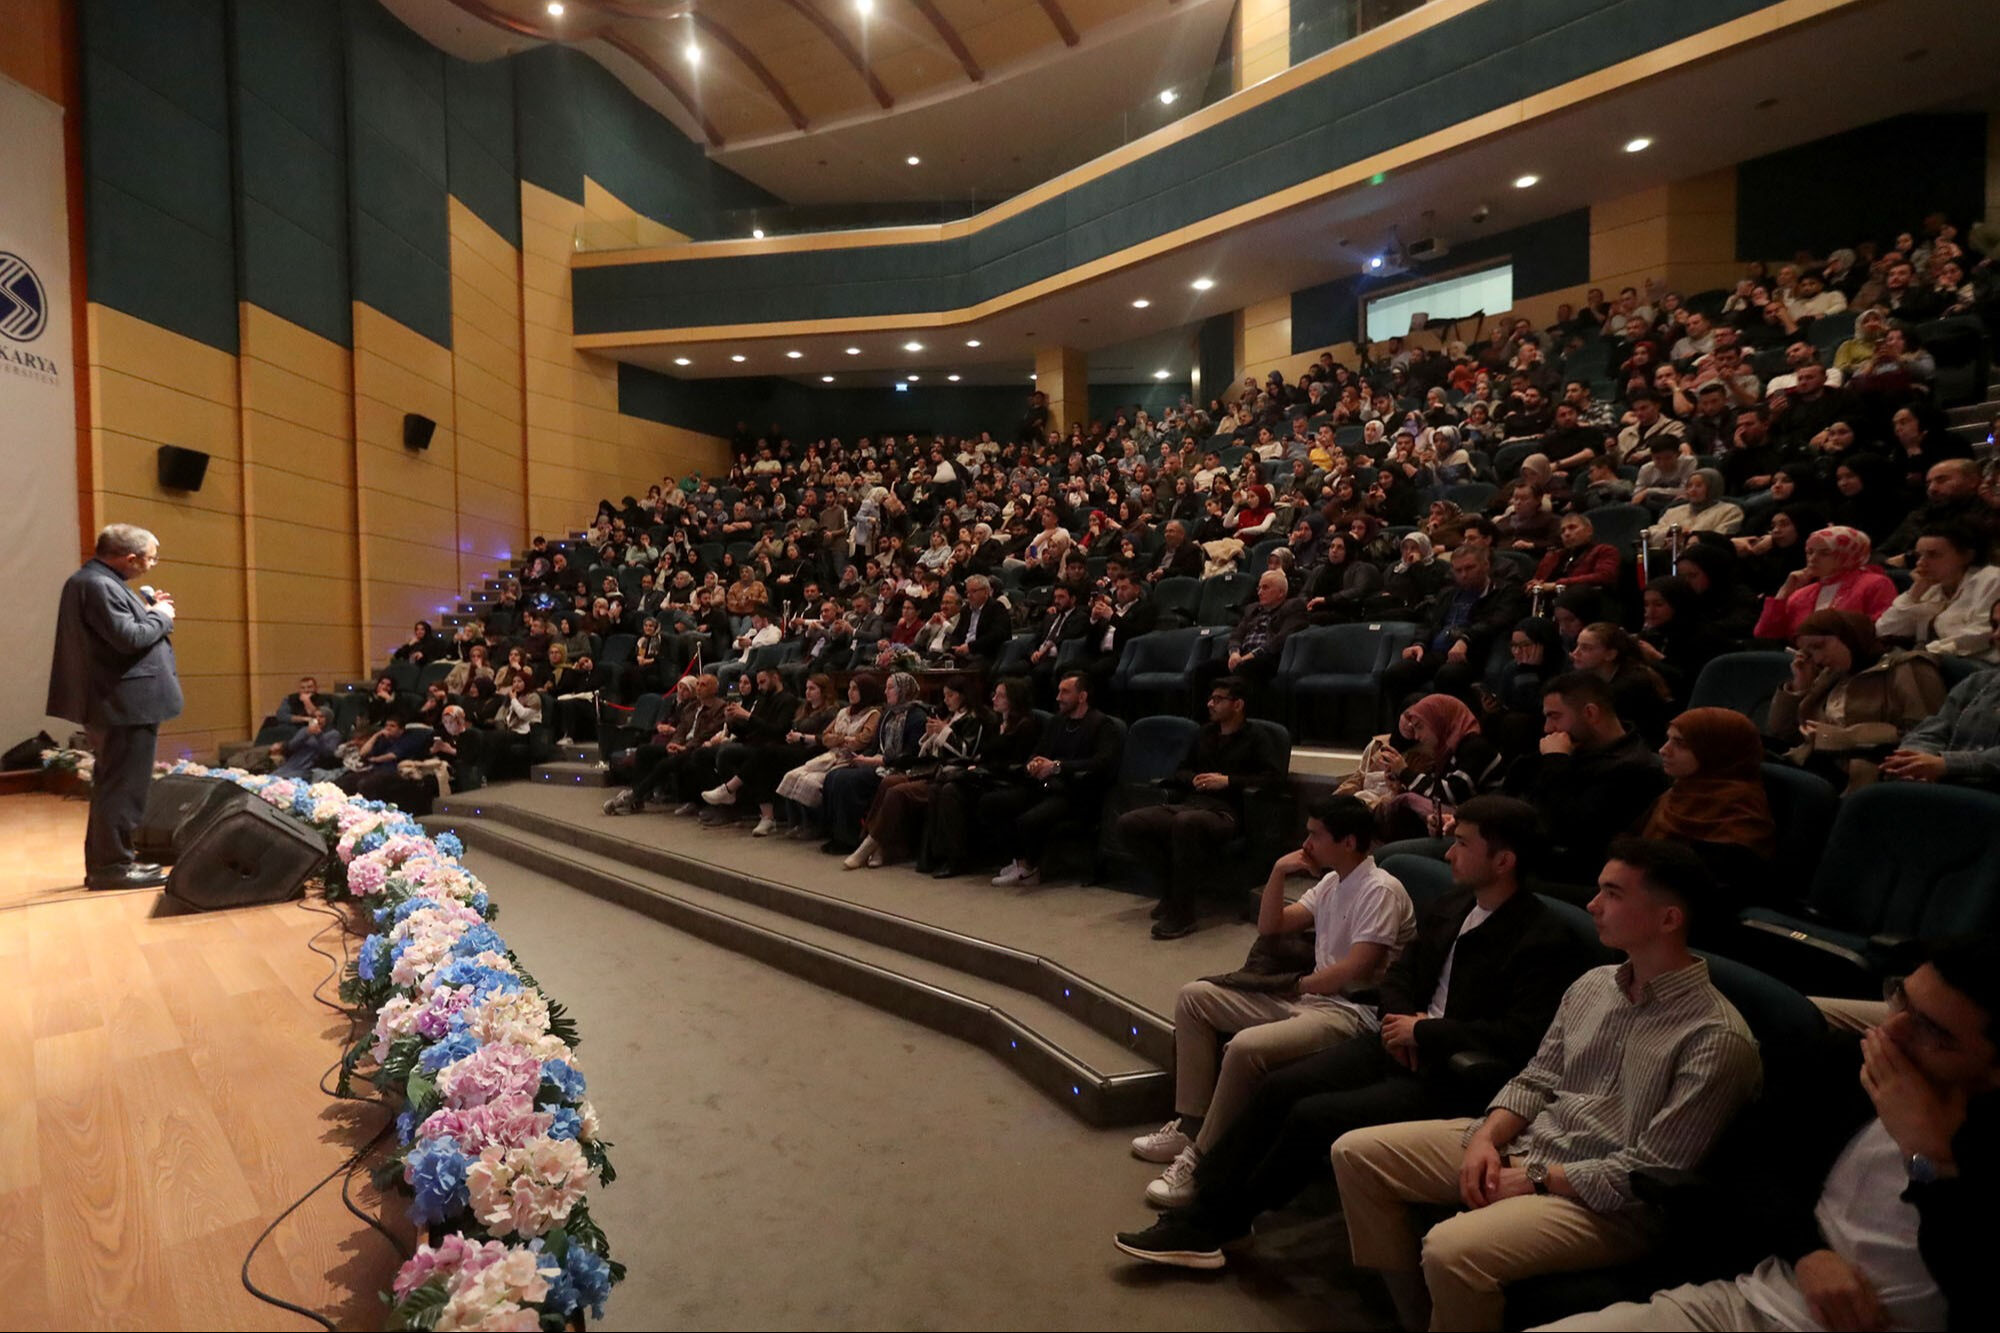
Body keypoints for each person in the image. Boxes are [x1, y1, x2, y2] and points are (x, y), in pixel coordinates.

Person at [1114, 797, 1592, 1271]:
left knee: (1312, 1114)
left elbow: (1520, 1037)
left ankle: (1216, 1224)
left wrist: (1426, 1034)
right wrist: (1402, 1023)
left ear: (1504, 861)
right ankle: (1206, 1210)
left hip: (1455, 1072)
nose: (1448, 854)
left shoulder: (1543, 939)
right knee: (1278, 1087)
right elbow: (1401, 974)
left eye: (1462, 844)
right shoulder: (1455, 903)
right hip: (1398, 1040)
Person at [1330, 839, 1762, 1333]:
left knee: (1451, 1250)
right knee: (1356, 1154)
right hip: (1533, 1144)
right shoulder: (1595, 983)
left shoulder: (1716, 1038)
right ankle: (1418, 1317)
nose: (1592, 905)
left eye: (1613, 894)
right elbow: (1537, 1077)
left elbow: (1650, 1172)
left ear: (1668, 919)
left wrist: (1535, 1177)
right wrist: (1488, 1139)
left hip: (1610, 1203)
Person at [1536, 935, 1997, 1332]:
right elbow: (1751, 1164)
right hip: (1753, 1303)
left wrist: (1929, 1159)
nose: (1891, 1031)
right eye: (1902, 1000)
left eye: (1930, 1029)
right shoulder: (1847, 1066)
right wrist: (1807, 1254)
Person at [1133, 795, 1414, 1207]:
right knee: (1194, 998)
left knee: (1246, 1047)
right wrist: (1279, 871)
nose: (1307, 843)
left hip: (1352, 1013)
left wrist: (1297, 986)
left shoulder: (1381, 890)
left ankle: (1204, 1160)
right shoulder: (1333, 882)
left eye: (1316, 834)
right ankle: (1191, 1125)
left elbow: (1357, 969)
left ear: (1350, 841)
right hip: (1310, 998)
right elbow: (1271, 926)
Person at [46, 525, 183, 890]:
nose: (152, 565)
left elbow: (121, 633)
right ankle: (112, 868)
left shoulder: (98, 582)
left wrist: (150, 610)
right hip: (124, 705)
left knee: (115, 785)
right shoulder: (97, 585)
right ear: (130, 557)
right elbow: (129, 639)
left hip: (120, 704)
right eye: (150, 558)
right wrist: (161, 616)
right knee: (123, 787)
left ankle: (112, 861)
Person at [1114, 677, 1286, 940]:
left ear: (1238, 704)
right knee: (1130, 823)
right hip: (1190, 803)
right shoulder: (1204, 734)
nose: (1210, 704)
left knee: (1187, 823)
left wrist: (1227, 781)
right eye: (1211, 698)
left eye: (1218, 699)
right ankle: (1171, 892)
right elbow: (1180, 769)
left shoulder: (1257, 738)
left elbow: (1274, 779)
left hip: (1227, 812)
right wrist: (1192, 779)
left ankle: (1183, 914)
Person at [1511, 672, 1669, 888]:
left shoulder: (1636, 769)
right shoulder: (1572, 748)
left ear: (1590, 713)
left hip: (1574, 877)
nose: (1547, 728)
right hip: (1529, 851)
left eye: (1555, 716)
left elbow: (1573, 832)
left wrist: (1556, 761)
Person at [1767, 610, 1947, 792]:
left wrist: (1839, 737)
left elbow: (1927, 735)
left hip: (1867, 775)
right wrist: (1800, 686)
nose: (1818, 658)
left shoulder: (1908, 667)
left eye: (1819, 646)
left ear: (1849, 635)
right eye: (1809, 652)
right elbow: (1781, 732)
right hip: (1816, 761)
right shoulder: (1832, 674)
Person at [982, 671, 1123, 887]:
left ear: (1082, 696)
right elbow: (1038, 752)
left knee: (1028, 820)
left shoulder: (1102, 725)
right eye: (1058, 691)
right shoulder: (1058, 722)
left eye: (1065, 692)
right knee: (993, 802)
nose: (1058, 697)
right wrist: (1034, 764)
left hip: (1075, 793)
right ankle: (1019, 861)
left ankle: (1030, 868)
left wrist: (1057, 767)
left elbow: (1101, 764)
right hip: (1046, 786)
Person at [1644, 708, 1776, 897]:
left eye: (1680, 744)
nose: (1663, 750)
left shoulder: (1739, 814)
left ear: (1715, 751)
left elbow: (1706, 892)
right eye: (1668, 739)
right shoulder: (1680, 791)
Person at [920, 677, 1044, 877]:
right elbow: (983, 754)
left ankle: (957, 859)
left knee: (950, 790)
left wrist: (981, 767)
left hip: (1006, 780)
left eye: (1001, 695)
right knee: (938, 787)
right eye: (994, 694)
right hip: (988, 775)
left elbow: (1017, 762)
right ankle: (936, 855)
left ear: (1013, 699)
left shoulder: (1025, 725)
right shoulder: (996, 723)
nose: (994, 699)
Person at [1383, 546, 1528, 707]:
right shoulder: (1448, 593)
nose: (1464, 575)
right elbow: (1429, 622)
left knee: (1448, 674)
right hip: (1438, 653)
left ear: (1486, 565)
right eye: (1458, 570)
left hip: (1473, 655)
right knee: (1395, 674)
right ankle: (1406, 727)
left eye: (1469, 568)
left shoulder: (1504, 591)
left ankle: (1447, 727)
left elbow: (1496, 622)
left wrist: (1465, 639)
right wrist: (1419, 644)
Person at [1883, 605, 2000, 788]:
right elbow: (1932, 729)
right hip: (1944, 785)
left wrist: (1945, 764)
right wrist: (1913, 760)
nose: (1996, 635)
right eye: (1995, 626)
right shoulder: (1977, 682)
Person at [1873, 525, 2000, 662]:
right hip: (1932, 660)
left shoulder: (1992, 580)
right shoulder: (1931, 586)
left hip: (1977, 663)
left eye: (1933, 555)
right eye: (1918, 556)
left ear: (1967, 556)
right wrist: (1915, 593)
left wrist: (1927, 652)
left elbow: (1983, 633)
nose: (1921, 563)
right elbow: (1884, 630)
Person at [1753, 526, 1897, 643]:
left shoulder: (1876, 584)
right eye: (1809, 552)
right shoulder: (1801, 594)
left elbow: (1880, 633)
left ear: (1848, 554)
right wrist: (1784, 593)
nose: (1812, 559)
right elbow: (1766, 636)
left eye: (1825, 553)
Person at [270, 708, 343, 780]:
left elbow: (328, 753)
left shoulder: (334, 734)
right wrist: (306, 733)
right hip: (294, 762)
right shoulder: (305, 730)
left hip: (312, 766)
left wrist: (319, 735)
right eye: (315, 717)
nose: (317, 719)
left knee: (286, 780)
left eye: (321, 717)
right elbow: (291, 746)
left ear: (328, 719)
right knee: (272, 778)